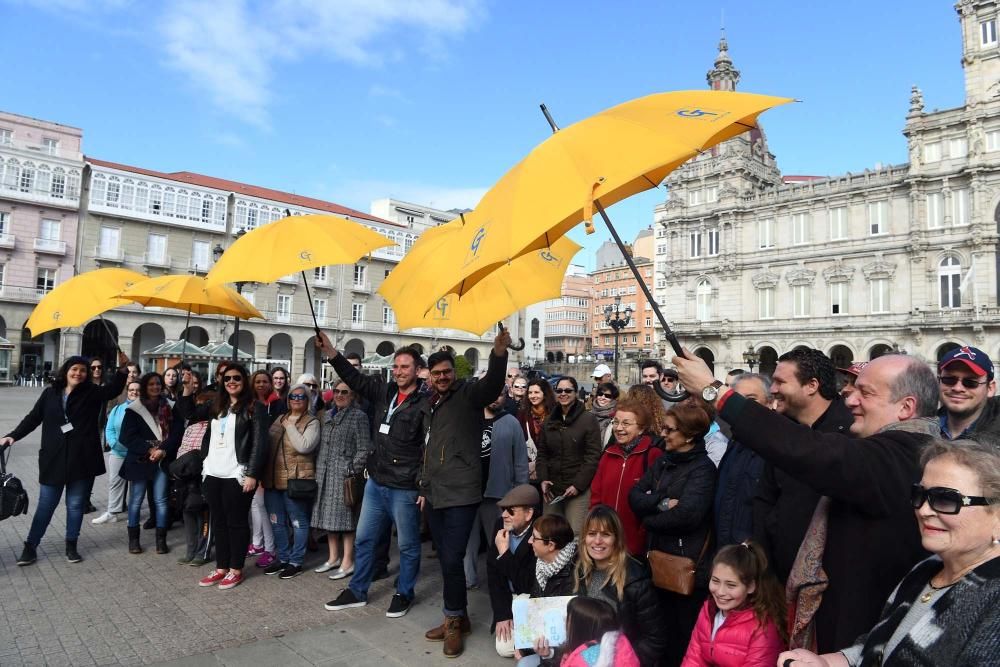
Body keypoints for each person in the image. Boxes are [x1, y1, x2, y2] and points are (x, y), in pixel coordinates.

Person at [675, 351, 940, 653]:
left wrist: (716, 393)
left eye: (865, 393)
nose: (850, 400)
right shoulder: (891, 450)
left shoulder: (905, 456)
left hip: (857, 637)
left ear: (906, 407)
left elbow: (808, 450)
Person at [778, 438, 1000, 667]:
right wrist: (830, 662)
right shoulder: (926, 569)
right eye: (920, 495)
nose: (923, 510)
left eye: (946, 499)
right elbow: (879, 649)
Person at [319, 336, 428, 621]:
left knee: (407, 546)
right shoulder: (384, 392)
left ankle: (404, 593)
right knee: (364, 540)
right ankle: (357, 591)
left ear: (417, 370)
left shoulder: (425, 402)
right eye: (396, 366)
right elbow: (354, 378)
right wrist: (332, 353)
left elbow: (429, 447)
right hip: (376, 483)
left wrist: (422, 484)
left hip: (404, 487)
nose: (399, 371)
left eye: (405, 367)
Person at [416, 330, 510, 659]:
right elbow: (429, 448)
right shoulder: (430, 402)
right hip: (436, 493)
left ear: (454, 373)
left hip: (462, 492)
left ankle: (453, 619)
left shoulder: (468, 394)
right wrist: (424, 487)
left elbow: (492, 385)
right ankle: (461, 616)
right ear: (429, 376)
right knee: (446, 558)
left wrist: (498, 354)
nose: (442, 378)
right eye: (436, 374)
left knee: (453, 558)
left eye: (446, 372)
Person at [4, 352, 129, 566]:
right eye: (74, 369)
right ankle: (30, 546)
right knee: (46, 505)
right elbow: (33, 418)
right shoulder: (50, 394)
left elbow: (113, 390)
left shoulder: (91, 393)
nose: (78, 374)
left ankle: (71, 545)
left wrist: (123, 370)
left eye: (83, 370)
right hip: (53, 459)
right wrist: (13, 435)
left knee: (74, 505)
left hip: (82, 460)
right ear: (66, 371)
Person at [751, 348, 854, 584]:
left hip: (827, 580)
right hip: (777, 574)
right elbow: (765, 499)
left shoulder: (850, 434)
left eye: (780, 382)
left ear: (811, 385)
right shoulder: (781, 430)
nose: (773, 389)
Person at [628, 399, 716, 666]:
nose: (663, 434)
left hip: (684, 568)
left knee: (681, 637)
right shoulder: (663, 462)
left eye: (669, 429)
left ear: (689, 435)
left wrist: (649, 518)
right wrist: (662, 503)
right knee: (658, 632)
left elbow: (686, 516)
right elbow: (634, 497)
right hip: (656, 559)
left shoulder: (703, 470)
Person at [178, 363, 267, 591]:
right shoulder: (217, 404)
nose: (231, 382)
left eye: (236, 377)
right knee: (218, 522)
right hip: (213, 472)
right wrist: (187, 388)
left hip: (237, 474)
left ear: (244, 380)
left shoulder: (253, 407)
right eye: (227, 378)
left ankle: (236, 569)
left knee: (236, 522)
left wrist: (253, 474)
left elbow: (260, 443)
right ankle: (221, 567)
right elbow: (188, 414)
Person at [575, 505, 667, 666]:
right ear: (584, 538)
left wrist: (622, 660)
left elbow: (654, 640)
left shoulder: (636, 580)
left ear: (616, 539)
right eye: (592, 534)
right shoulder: (580, 571)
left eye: (605, 534)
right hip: (584, 657)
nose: (597, 541)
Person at [681, 541, 786, 667]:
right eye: (715, 581)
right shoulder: (708, 612)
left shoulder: (763, 627)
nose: (720, 592)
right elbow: (694, 659)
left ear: (751, 586)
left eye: (731, 585)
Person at [464, 389, 529, 589]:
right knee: (467, 543)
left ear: (505, 397)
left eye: (500, 394)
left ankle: (504, 582)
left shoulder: (511, 422)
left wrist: (520, 494)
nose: (494, 397)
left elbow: (520, 462)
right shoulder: (468, 419)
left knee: (499, 542)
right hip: (468, 492)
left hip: (499, 495)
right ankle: (468, 579)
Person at [260, 382, 320, 579]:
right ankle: (283, 558)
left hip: (296, 480)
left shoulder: (312, 422)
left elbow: (304, 447)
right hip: (273, 480)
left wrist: (290, 427)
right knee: (276, 522)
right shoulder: (279, 418)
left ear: (307, 401)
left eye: (301, 397)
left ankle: (296, 561)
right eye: (292, 396)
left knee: (298, 522)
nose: (296, 399)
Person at [120, 372, 183, 555]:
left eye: (157, 384)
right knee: (136, 501)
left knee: (161, 500)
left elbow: (178, 433)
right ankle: (133, 540)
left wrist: (163, 450)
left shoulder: (170, 407)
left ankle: (161, 541)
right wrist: (149, 450)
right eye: (151, 384)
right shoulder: (134, 409)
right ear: (145, 387)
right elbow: (127, 437)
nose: (155, 387)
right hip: (140, 459)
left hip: (162, 458)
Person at [588, 401, 663, 556]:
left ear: (641, 428)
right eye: (616, 422)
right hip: (604, 540)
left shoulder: (653, 455)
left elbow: (656, 499)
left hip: (635, 542)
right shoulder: (608, 454)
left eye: (626, 423)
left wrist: (641, 532)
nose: (619, 428)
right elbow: (596, 494)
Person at [313, 381, 371, 579]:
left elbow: (364, 448)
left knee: (346, 520)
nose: (339, 395)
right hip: (325, 474)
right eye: (336, 391)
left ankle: (348, 562)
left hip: (344, 477)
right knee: (329, 519)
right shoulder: (327, 415)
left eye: (344, 392)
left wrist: (350, 469)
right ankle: (333, 558)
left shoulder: (359, 417)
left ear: (352, 394)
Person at [537, 377, 603, 537]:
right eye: (559, 391)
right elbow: (542, 454)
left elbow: (593, 456)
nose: (563, 394)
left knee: (575, 535)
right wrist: (543, 479)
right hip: (552, 489)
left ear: (575, 393)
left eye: (568, 391)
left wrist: (577, 485)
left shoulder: (588, 420)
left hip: (576, 490)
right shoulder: (548, 421)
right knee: (549, 534)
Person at [714, 373, 770, 547]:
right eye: (738, 400)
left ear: (769, 403)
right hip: (725, 548)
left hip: (753, 555)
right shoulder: (734, 442)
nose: (744, 407)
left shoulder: (772, 449)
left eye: (752, 400)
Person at [488, 484, 541, 658]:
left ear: (529, 514)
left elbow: (527, 583)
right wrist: (502, 613)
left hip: (530, 597)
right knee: (504, 649)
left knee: (525, 649)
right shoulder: (499, 525)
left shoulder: (540, 533)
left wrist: (504, 554)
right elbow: (493, 574)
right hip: (508, 597)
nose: (504, 515)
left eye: (511, 511)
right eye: (504, 509)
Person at [528, 597, 640, 667]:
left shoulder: (582, 661)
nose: (564, 620)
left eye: (568, 618)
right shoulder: (617, 644)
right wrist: (548, 655)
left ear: (581, 628)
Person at [172, 382, 214, 566]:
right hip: (186, 478)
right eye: (200, 404)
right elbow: (182, 449)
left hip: (204, 476)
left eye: (207, 404)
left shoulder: (214, 427)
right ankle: (190, 550)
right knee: (188, 512)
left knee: (204, 515)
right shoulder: (191, 427)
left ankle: (202, 552)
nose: (202, 408)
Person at [92, 380, 140, 525]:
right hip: (118, 452)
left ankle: (133, 514)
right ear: (127, 391)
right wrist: (113, 443)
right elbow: (109, 428)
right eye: (131, 389)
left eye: (137, 390)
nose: (134, 392)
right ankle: (112, 512)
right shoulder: (118, 409)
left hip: (136, 454)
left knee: (135, 486)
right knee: (115, 483)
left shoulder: (144, 410)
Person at [247, 370, 279, 567]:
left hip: (268, 460)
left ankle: (270, 548)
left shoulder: (276, 403)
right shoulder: (249, 404)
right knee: (256, 504)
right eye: (257, 381)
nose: (261, 385)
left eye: (264, 381)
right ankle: (259, 543)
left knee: (262, 505)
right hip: (253, 459)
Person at [937, 345, 1000, 440]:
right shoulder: (921, 430)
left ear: (990, 388)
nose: (957, 388)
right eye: (949, 380)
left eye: (970, 382)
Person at [529, 514, 578, 597]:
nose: (529, 541)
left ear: (551, 545)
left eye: (534, 538)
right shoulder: (542, 564)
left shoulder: (576, 569)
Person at [519, 379, 556, 481]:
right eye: (530, 393)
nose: (532, 396)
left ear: (545, 394)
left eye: (536, 392)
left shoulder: (555, 414)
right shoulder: (523, 415)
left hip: (551, 468)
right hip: (529, 467)